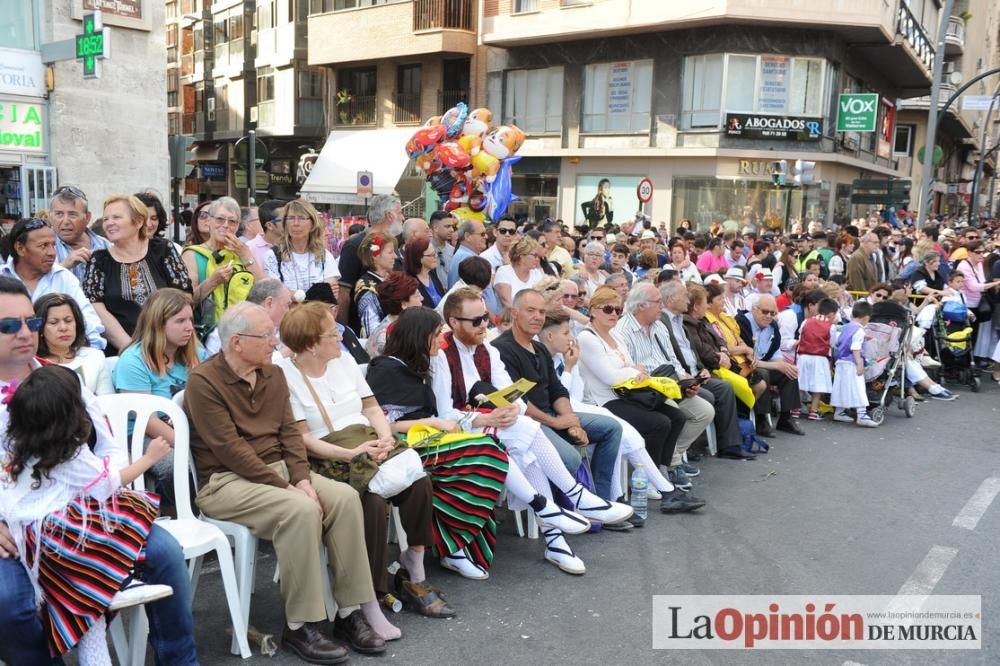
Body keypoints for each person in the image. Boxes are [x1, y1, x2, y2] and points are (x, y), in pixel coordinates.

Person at [0, 277, 198, 666]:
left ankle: (181, 662)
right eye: (9, 325)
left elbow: (108, 446)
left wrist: (91, 487)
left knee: (166, 555)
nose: (25, 333)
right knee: (10, 604)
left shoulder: (62, 381)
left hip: (88, 512)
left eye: (31, 323)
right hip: (18, 529)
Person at [185, 302, 392, 660]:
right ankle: (300, 626)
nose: (274, 341)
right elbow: (231, 450)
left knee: (343, 498)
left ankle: (348, 612)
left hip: (278, 472)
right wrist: (290, 486)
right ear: (236, 342)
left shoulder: (272, 374)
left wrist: (301, 478)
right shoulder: (204, 382)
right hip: (225, 482)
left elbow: (290, 436)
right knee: (300, 510)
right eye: (266, 335)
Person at [431, 288, 634, 573]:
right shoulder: (442, 355)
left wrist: (510, 409)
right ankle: (565, 515)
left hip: (496, 424)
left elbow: (509, 393)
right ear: (454, 322)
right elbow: (443, 414)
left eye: (486, 319)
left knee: (525, 437)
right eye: (475, 321)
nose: (484, 326)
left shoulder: (487, 349)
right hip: (457, 431)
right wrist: (490, 417)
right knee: (525, 433)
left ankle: (557, 532)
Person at [276, 302, 454, 619]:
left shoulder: (343, 362)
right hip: (329, 454)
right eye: (333, 333)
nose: (341, 337)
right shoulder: (287, 377)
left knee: (419, 481)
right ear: (312, 344)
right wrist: (351, 454)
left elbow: (372, 409)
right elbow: (303, 439)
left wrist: (385, 439)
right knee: (371, 499)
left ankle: (414, 559)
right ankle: (371, 591)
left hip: (367, 440)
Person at [1, 365, 170, 664]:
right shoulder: (72, 455)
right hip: (67, 546)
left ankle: (105, 587)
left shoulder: (16, 446)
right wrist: (149, 458)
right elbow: (108, 485)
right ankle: (116, 577)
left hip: (31, 543)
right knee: (131, 511)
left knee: (89, 619)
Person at [366, 307, 518, 579]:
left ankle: (457, 546)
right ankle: (453, 548)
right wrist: (434, 423)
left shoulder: (417, 365)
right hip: (404, 446)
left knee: (491, 448)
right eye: (436, 335)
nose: (442, 342)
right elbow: (381, 426)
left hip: (427, 438)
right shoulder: (386, 369)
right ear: (419, 337)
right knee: (485, 454)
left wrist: (437, 424)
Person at [492, 290, 626, 518]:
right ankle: (565, 509)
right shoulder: (501, 349)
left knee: (611, 428)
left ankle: (602, 501)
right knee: (570, 458)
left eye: (542, 312)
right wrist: (557, 423)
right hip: (528, 422)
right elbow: (519, 402)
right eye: (531, 311)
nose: (538, 317)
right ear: (514, 313)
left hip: (552, 415)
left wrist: (571, 422)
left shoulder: (540, 348)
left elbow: (557, 389)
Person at [577, 286, 705, 513]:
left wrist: (631, 371)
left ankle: (661, 471)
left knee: (675, 415)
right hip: (602, 400)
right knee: (658, 422)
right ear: (593, 310)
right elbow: (611, 377)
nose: (614, 314)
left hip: (626, 394)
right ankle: (648, 480)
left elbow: (629, 368)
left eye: (617, 309)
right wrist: (633, 372)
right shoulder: (587, 338)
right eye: (608, 308)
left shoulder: (615, 335)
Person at [537, 308, 678, 504]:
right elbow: (563, 397)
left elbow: (575, 394)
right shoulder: (542, 358)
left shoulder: (562, 356)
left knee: (624, 432)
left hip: (578, 405)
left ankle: (626, 495)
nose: (571, 338)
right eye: (566, 333)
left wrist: (571, 366)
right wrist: (569, 368)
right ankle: (651, 492)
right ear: (550, 336)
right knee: (621, 430)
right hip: (565, 410)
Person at [613, 283, 719, 477]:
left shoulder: (659, 326)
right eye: (657, 302)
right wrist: (667, 384)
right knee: (675, 413)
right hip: (646, 391)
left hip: (669, 384)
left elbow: (672, 360)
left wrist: (686, 380)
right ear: (641, 306)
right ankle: (670, 465)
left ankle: (673, 456)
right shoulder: (623, 331)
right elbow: (630, 370)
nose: (662, 306)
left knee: (705, 411)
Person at [82, 194, 193, 355]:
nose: (109, 223)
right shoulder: (99, 260)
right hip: (124, 352)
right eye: (106, 219)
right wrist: (131, 349)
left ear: (139, 221)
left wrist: (162, 341)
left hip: (169, 348)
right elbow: (96, 308)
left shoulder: (162, 250)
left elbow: (184, 296)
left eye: (117, 217)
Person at [655, 281, 749, 461]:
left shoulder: (681, 320)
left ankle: (731, 443)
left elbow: (700, 347)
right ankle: (682, 452)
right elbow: (683, 353)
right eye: (684, 296)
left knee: (729, 386)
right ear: (672, 299)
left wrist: (701, 369)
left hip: (696, 372)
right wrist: (697, 371)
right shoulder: (669, 322)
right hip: (680, 377)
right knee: (717, 392)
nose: (687, 300)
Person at [1, 217, 106, 350]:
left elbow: (89, 324)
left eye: (53, 245)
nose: (52, 253)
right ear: (20, 248)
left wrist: (91, 356)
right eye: (43, 246)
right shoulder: (2, 278)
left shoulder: (64, 278)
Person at [181, 196, 266, 338]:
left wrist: (246, 255)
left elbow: (264, 291)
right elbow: (184, 302)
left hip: (242, 333)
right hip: (204, 334)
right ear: (209, 221)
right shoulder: (192, 254)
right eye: (220, 219)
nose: (226, 225)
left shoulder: (243, 252)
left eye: (232, 221)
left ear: (238, 226)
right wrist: (212, 282)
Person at [734, 295, 805, 437]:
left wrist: (782, 365)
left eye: (773, 313)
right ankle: (761, 418)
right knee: (763, 373)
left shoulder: (772, 326)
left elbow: (775, 353)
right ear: (754, 309)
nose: (769, 316)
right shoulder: (741, 323)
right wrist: (777, 366)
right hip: (744, 367)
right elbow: (749, 360)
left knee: (789, 372)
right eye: (765, 312)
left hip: (762, 364)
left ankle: (786, 418)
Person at [35, 293, 109, 395]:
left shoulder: (95, 357)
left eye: (68, 321)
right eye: (53, 322)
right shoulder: (32, 364)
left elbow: (107, 401)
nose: (63, 328)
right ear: (40, 328)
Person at [264, 198, 340, 295]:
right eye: (291, 218)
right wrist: (315, 294)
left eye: (301, 218)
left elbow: (331, 293)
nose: (296, 223)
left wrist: (294, 296)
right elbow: (274, 294)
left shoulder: (324, 255)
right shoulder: (272, 256)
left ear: (312, 223)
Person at [831, 301, 878, 428]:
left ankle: (839, 411)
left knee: (841, 387)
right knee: (858, 387)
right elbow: (856, 347)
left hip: (841, 361)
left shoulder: (845, 327)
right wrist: (860, 363)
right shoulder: (860, 331)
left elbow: (836, 343)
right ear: (866, 317)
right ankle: (862, 414)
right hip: (852, 362)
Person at [50, 185, 111, 282]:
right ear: (51, 217)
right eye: (59, 214)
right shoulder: (42, 248)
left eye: (72, 214)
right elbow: (34, 287)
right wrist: (64, 266)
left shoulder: (106, 246)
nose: (65, 221)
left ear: (87, 217)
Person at [796, 297, 838, 420]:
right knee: (817, 387)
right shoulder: (831, 327)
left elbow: (800, 334)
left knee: (800, 383)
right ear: (831, 314)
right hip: (820, 358)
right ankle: (813, 411)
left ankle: (795, 409)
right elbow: (832, 343)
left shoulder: (806, 322)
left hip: (803, 356)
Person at [366, 272, 423, 357]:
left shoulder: (410, 324)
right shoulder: (385, 338)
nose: (422, 298)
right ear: (404, 304)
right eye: (417, 296)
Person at [353, 231, 399, 339]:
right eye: (390, 252)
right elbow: (373, 332)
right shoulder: (366, 288)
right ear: (375, 256)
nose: (395, 256)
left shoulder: (392, 279)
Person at [494, 237, 545, 309]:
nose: (537, 259)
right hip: (510, 317)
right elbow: (506, 301)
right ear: (522, 257)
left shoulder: (537, 273)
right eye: (535, 255)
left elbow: (543, 299)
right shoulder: (504, 271)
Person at [405, 236, 446, 308]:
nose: (436, 256)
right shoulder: (410, 283)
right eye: (432, 255)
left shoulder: (432, 274)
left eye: (435, 253)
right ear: (419, 258)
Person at [447, 220, 489, 288]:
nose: (486, 237)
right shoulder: (467, 258)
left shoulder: (464, 255)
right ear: (467, 236)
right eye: (482, 234)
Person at [247, 199, 286, 267]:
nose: (292, 222)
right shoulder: (249, 248)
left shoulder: (295, 246)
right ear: (269, 225)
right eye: (285, 219)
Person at [428, 210, 456, 287]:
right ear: (435, 228)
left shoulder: (453, 251)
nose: (452, 230)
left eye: (452, 226)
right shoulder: (424, 252)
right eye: (447, 226)